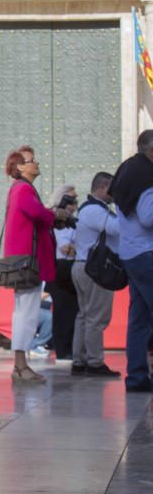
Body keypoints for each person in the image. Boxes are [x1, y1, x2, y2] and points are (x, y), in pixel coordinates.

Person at [0, 147, 71, 383]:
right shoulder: (22, 189)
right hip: (27, 262)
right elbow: (37, 212)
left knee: (25, 310)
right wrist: (55, 213)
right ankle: (20, 365)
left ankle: (21, 364)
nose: (37, 163)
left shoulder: (22, 189)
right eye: (32, 161)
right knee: (26, 313)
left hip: (26, 261)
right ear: (20, 167)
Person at [110, 130, 153, 393]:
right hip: (147, 253)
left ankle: (137, 377)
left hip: (131, 253)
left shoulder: (127, 170)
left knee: (139, 318)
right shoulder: (146, 176)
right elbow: (148, 217)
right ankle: (138, 376)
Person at [70, 172, 121, 378]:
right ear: (101, 188)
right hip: (94, 270)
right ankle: (94, 362)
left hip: (84, 266)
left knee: (84, 316)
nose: (114, 194)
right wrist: (123, 207)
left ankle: (80, 360)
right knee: (96, 318)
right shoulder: (94, 210)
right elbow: (116, 229)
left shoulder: (88, 209)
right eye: (112, 189)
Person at [45, 185, 79, 360]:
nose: (75, 203)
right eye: (71, 199)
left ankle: (71, 348)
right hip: (58, 268)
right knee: (62, 310)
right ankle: (62, 350)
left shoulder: (74, 221)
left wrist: (74, 248)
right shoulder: (52, 217)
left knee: (73, 310)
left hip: (72, 266)